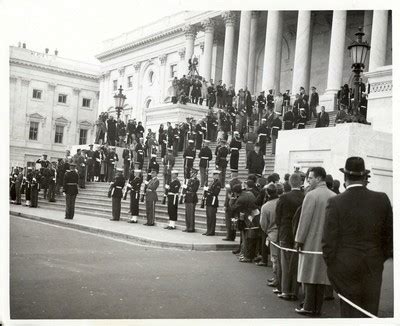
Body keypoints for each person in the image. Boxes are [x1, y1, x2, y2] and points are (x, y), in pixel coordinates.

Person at [322, 157, 393, 318]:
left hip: (345, 267)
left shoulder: (335, 202)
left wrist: (333, 269)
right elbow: (389, 237)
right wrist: (378, 258)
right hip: (373, 265)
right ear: (364, 177)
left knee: (349, 312)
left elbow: (328, 242)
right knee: (369, 311)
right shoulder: (382, 199)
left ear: (345, 178)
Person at [294, 167, 335, 316]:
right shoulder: (334, 195)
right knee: (321, 277)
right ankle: (317, 307)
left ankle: (308, 306)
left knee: (309, 276)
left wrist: (299, 240)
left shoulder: (311, 195)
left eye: (310, 178)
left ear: (318, 179)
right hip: (326, 243)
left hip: (311, 242)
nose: (308, 181)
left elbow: (304, 221)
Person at [275, 173, 305, 300]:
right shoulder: (305, 197)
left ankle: (285, 290)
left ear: (290, 183)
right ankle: (294, 290)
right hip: (299, 232)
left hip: (285, 232)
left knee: (285, 262)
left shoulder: (284, 197)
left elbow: (278, 216)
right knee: (296, 262)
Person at [260, 183, 280, 287]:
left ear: (267, 193)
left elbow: (263, 224)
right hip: (282, 233)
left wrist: (267, 231)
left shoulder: (266, 206)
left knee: (275, 258)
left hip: (272, 233)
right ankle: (278, 277)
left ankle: (276, 278)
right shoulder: (281, 202)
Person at [203, 171, 222, 236]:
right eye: (213, 175)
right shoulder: (212, 182)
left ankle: (211, 231)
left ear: (217, 176)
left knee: (212, 217)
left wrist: (208, 191)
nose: (213, 176)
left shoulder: (218, 183)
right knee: (208, 216)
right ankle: (208, 230)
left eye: (215, 175)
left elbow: (216, 193)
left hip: (213, 201)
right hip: (209, 201)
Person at [183, 168, 200, 232]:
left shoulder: (197, 181)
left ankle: (191, 228)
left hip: (192, 198)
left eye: (192, 173)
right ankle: (187, 227)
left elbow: (194, 189)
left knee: (191, 214)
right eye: (191, 173)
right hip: (187, 197)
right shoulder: (189, 180)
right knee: (187, 214)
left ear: (195, 174)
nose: (191, 174)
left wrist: (187, 187)